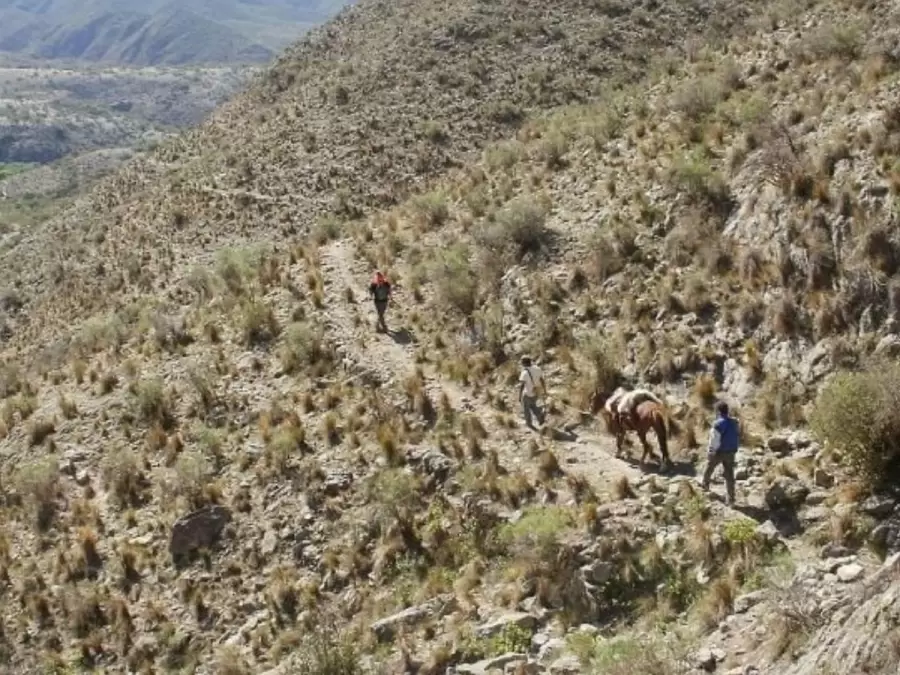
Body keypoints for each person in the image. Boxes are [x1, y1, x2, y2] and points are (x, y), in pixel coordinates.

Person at [702, 400, 740, 505]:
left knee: (709, 467)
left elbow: (714, 440)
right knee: (729, 475)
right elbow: (736, 436)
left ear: (718, 411)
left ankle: (704, 486)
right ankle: (731, 499)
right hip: (731, 452)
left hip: (719, 451)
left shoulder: (718, 424)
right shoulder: (734, 422)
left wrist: (711, 452)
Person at [518, 356, 546, 429]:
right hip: (536, 391)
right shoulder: (537, 368)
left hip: (528, 393)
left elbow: (522, 385)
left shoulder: (524, 373)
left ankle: (529, 424)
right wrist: (545, 390)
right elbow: (542, 380)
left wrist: (519, 396)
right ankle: (540, 417)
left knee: (526, 409)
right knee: (533, 406)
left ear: (524, 363)